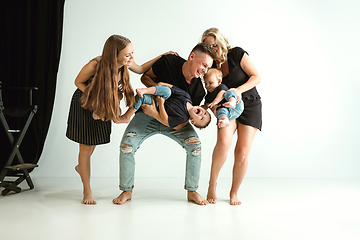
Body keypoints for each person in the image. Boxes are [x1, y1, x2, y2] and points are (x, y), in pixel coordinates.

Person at [66, 34, 176, 205]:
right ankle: (87, 190)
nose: (131, 57)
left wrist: (162, 56)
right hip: (85, 104)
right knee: (86, 148)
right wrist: (95, 98)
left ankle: (82, 167)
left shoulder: (125, 64)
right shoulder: (95, 65)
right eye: (127, 55)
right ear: (114, 55)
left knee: (93, 142)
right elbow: (78, 82)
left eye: (132, 53)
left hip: (102, 105)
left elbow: (140, 69)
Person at [112, 43, 216, 205]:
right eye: (203, 64)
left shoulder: (198, 91)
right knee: (127, 146)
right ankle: (126, 191)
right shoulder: (169, 62)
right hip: (147, 111)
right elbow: (144, 77)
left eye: (207, 68)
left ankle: (192, 191)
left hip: (174, 122)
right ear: (192, 56)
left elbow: (184, 121)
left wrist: (158, 113)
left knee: (195, 146)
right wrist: (157, 95)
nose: (204, 70)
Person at [201, 28, 262, 205]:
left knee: (242, 153)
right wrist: (214, 111)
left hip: (249, 103)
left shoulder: (236, 54)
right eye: (208, 47)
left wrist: (237, 91)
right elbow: (211, 94)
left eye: (215, 45)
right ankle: (212, 183)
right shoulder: (210, 66)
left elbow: (256, 77)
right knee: (223, 143)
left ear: (221, 42)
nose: (213, 49)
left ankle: (234, 192)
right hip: (226, 109)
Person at [117, 84, 211, 130]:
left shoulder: (182, 118)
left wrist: (161, 104)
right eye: (205, 112)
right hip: (160, 94)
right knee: (168, 91)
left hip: (157, 105)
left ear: (193, 122)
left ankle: (126, 117)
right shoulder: (186, 97)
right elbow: (172, 87)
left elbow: (165, 120)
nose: (202, 114)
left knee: (141, 97)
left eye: (202, 118)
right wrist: (161, 85)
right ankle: (145, 90)